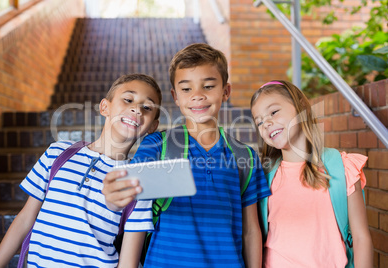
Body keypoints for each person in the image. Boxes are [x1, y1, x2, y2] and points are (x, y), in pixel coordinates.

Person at [103, 43, 271, 268]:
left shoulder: (245, 156)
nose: (198, 96)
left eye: (209, 86)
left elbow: (251, 230)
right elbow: (134, 211)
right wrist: (115, 197)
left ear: (226, 91)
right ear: (175, 96)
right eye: (186, 89)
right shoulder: (156, 145)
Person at [0, 73, 162, 267]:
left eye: (147, 107)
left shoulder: (138, 182)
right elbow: (24, 219)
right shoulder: (58, 153)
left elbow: (128, 263)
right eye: (128, 99)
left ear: (152, 126)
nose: (137, 109)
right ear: (105, 107)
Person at [250, 80, 373, 267]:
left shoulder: (342, 166)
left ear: (300, 105)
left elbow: (361, 237)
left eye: (274, 112)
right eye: (259, 122)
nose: (266, 123)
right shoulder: (263, 177)